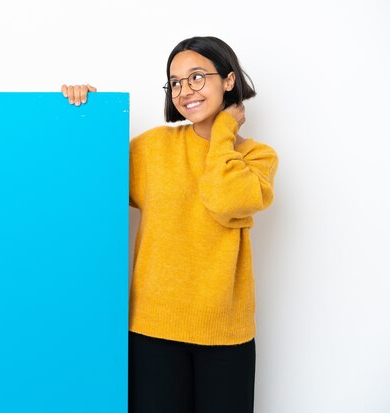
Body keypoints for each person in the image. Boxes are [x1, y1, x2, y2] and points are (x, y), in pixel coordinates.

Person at [61, 36, 278, 413]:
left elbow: (226, 200)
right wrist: (85, 116)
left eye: (196, 77)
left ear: (228, 81)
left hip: (225, 333)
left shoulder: (256, 156)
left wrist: (225, 131)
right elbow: (86, 182)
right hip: (152, 329)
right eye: (175, 82)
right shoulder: (153, 148)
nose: (184, 90)